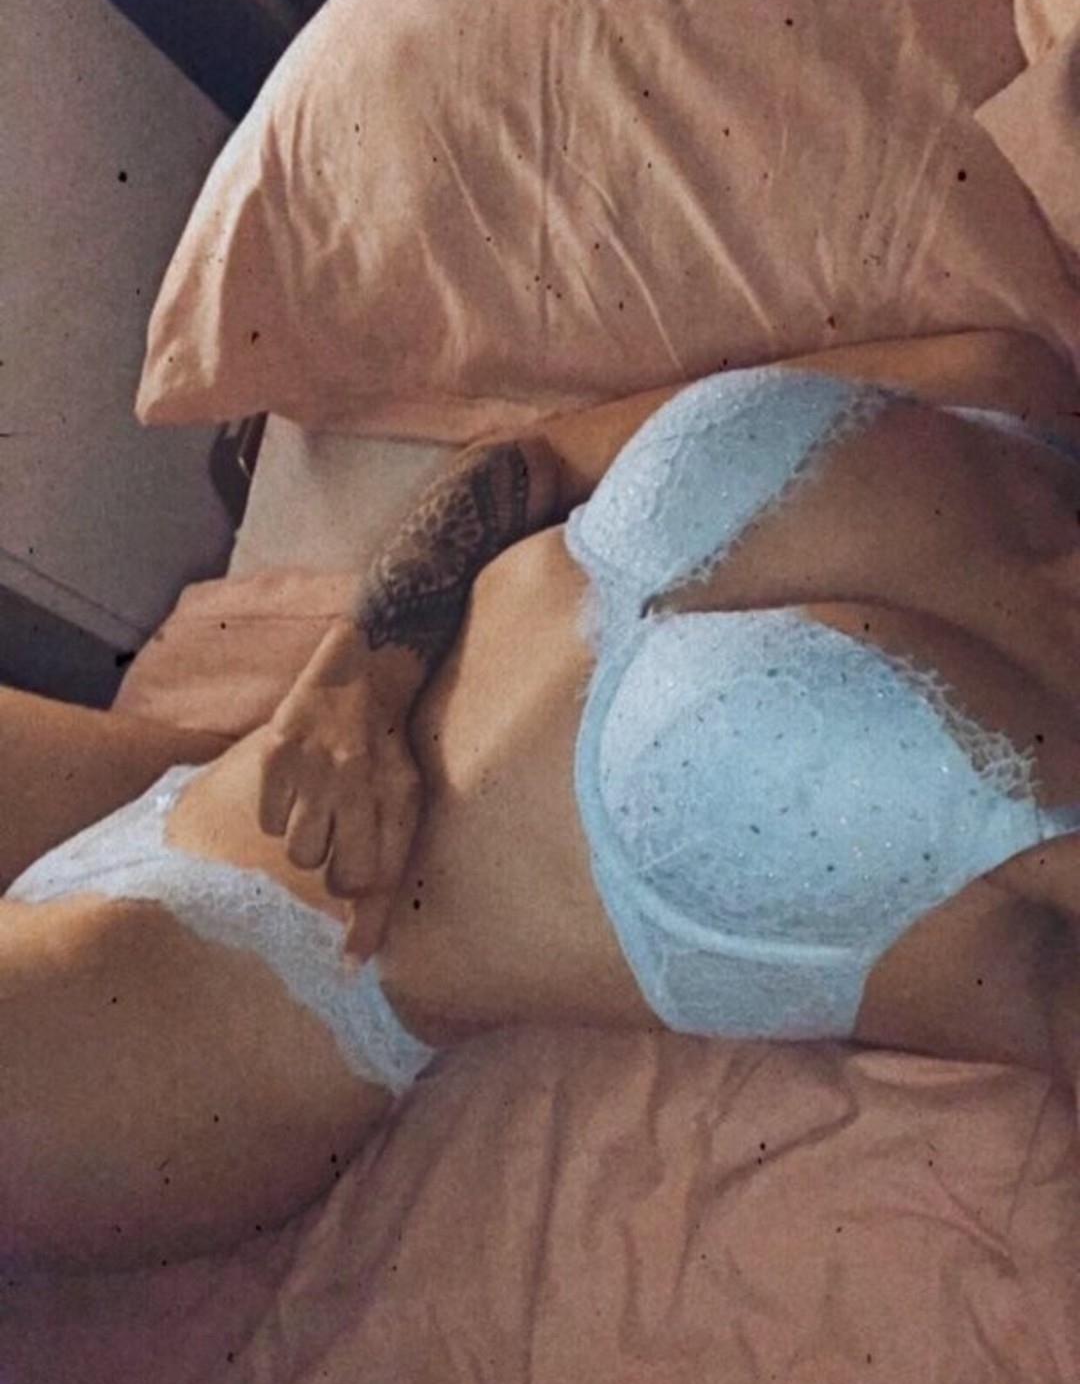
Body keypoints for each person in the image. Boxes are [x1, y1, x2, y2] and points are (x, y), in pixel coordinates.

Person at [4, 328, 1080, 1273]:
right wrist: (355, 674)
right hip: (234, 763)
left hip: (253, 996)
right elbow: (530, 460)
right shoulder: (1011, 383)